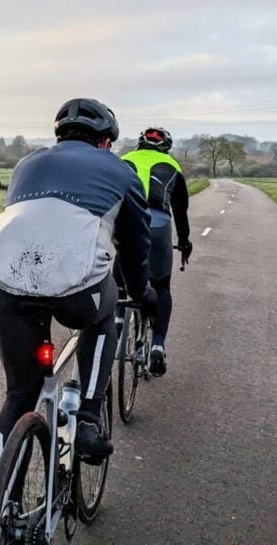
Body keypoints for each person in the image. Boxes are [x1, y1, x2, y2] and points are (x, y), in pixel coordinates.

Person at [0, 98, 151, 465]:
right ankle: (89, 417)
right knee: (106, 312)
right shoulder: (121, 171)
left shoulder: (27, 163)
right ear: (106, 141)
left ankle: (7, 509)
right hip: (76, 291)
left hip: (6, 281)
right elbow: (136, 244)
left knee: (18, 395)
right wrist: (141, 292)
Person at [117, 127, 191, 376]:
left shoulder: (124, 160)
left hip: (127, 224)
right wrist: (185, 242)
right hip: (159, 225)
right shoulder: (172, 166)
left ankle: (117, 320)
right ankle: (158, 343)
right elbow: (180, 212)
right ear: (166, 148)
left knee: (120, 279)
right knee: (162, 287)